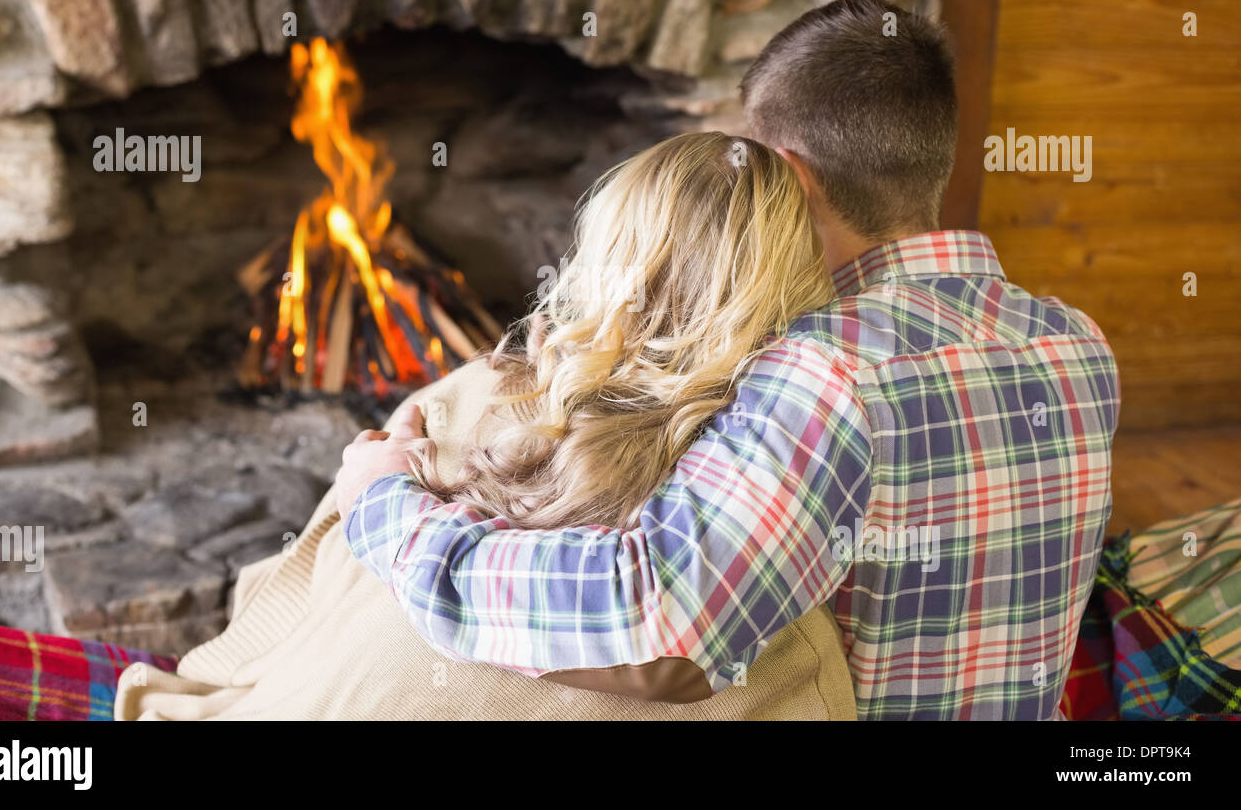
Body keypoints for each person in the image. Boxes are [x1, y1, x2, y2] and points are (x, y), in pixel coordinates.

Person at [341, 0, 1122, 720]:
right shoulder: (1077, 342)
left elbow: (660, 625)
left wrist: (387, 510)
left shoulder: (827, 373)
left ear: (788, 174)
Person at [112, 131, 856, 720]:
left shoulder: (464, 407)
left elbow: (290, 604)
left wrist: (382, 488)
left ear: (609, 264)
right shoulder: (779, 510)